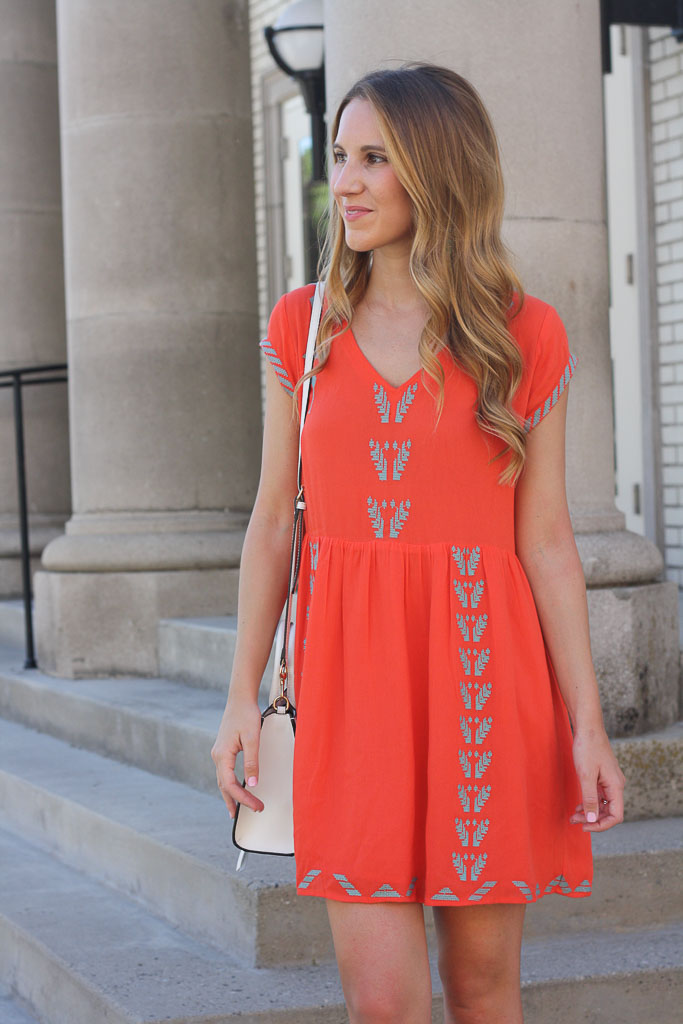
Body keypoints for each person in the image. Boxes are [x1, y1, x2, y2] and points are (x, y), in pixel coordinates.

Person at [212, 61, 626, 1024]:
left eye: (373, 159)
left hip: (483, 681)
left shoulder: (522, 336)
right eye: (339, 156)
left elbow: (550, 543)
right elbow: (274, 521)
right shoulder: (300, 328)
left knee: (484, 992)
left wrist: (588, 724)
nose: (343, 182)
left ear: (436, 171)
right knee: (385, 1005)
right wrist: (239, 696)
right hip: (345, 689)